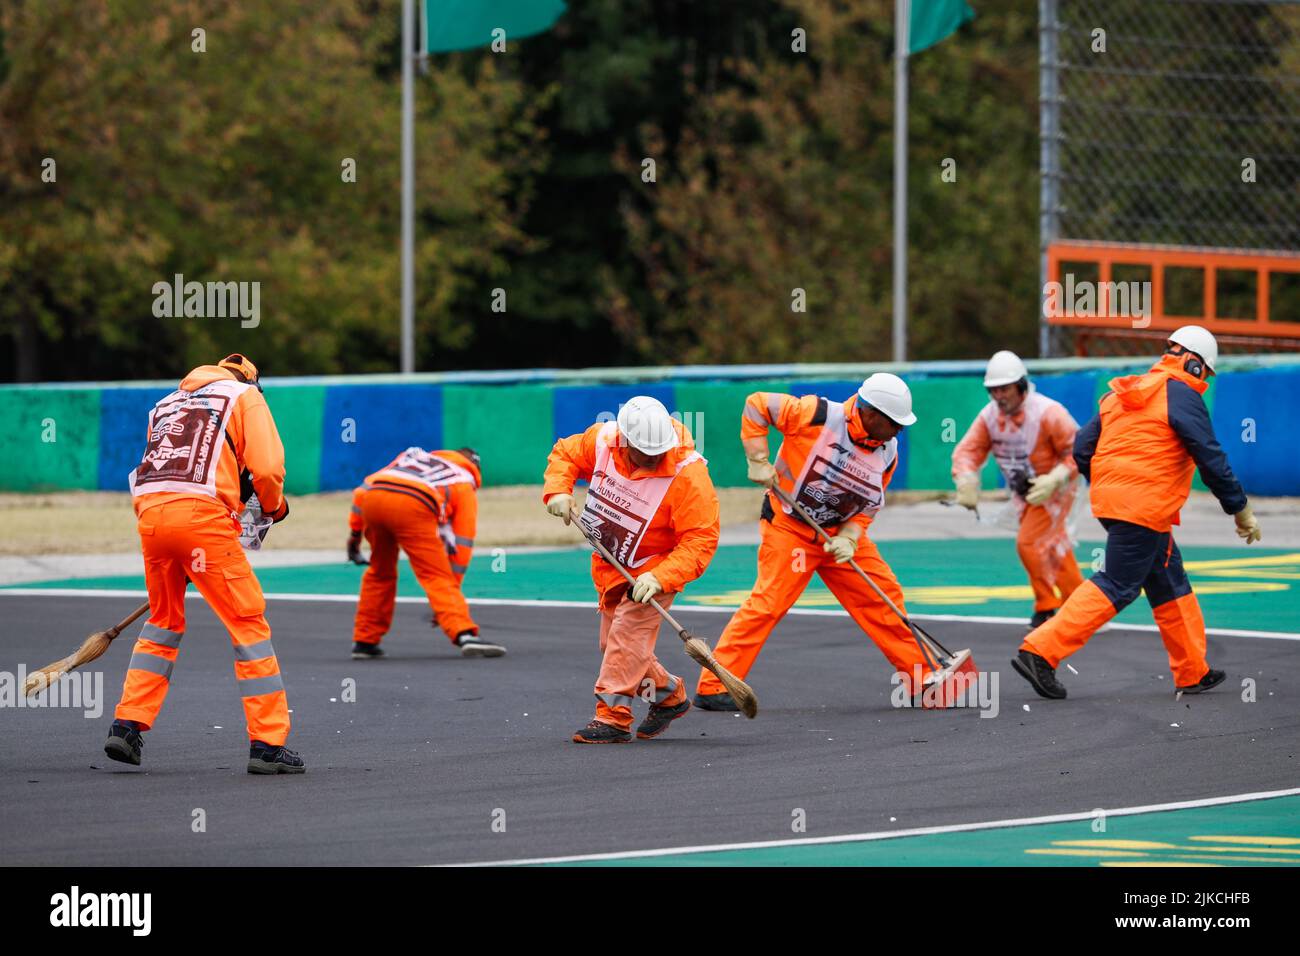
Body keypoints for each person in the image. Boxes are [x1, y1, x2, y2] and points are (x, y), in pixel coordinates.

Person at [1012, 326, 1262, 700]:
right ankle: (1040, 651)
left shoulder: (1122, 394)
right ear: (1194, 364)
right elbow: (1209, 455)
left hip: (1118, 503)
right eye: (1206, 373)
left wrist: (1112, 482)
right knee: (1117, 584)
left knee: (1168, 581)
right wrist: (1239, 509)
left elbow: (1083, 447)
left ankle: (1192, 669)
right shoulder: (1181, 394)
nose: (1204, 381)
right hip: (1143, 507)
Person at [694, 374, 956, 711]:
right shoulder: (816, 413)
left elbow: (868, 505)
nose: (899, 431)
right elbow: (757, 404)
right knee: (768, 603)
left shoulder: (887, 451)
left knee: (882, 597)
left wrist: (849, 536)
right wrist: (757, 458)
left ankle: (922, 680)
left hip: (838, 536)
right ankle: (715, 686)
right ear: (871, 413)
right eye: (895, 423)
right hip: (790, 527)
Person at [106, 354, 303, 774]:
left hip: (152, 516)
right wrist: (273, 508)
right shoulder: (245, 395)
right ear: (251, 379)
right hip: (202, 518)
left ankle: (127, 725)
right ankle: (268, 744)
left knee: (163, 621)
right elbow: (266, 470)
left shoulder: (167, 403)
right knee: (247, 623)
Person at [543, 396, 720, 743]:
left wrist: (660, 577)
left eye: (658, 453)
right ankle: (669, 696)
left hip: (657, 568)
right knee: (614, 645)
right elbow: (566, 454)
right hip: (613, 564)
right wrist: (557, 492)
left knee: (625, 638)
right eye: (644, 452)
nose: (653, 459)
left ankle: (612, 717)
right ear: (625, 440)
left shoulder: (689, 474)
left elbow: (700, 539)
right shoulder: (604, 439)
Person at [952, 351, 1084, 628]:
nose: (999, 396)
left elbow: (1078, 450)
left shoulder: (1049, 413)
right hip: (1025, 492)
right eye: (994, 390)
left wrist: (1057, 477)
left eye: (1005, 389)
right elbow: (969, 450)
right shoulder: (989, 417)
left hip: (1056, 488)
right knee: (1051, 545)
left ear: (1021, 386)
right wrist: (966, 480)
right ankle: (1081, 606)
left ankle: (1046, 606)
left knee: (1029, 543)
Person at [347, 447, 504, 659]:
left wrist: (355, 538)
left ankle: (364, 641)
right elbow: (462, 542)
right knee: (436, 575)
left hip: (373, 500)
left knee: (380, 572)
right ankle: (464, 634)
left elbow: (360, 492)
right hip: (414, 505)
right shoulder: (463, 479)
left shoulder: (412, 456)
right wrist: (450, 594)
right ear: (475, 467)